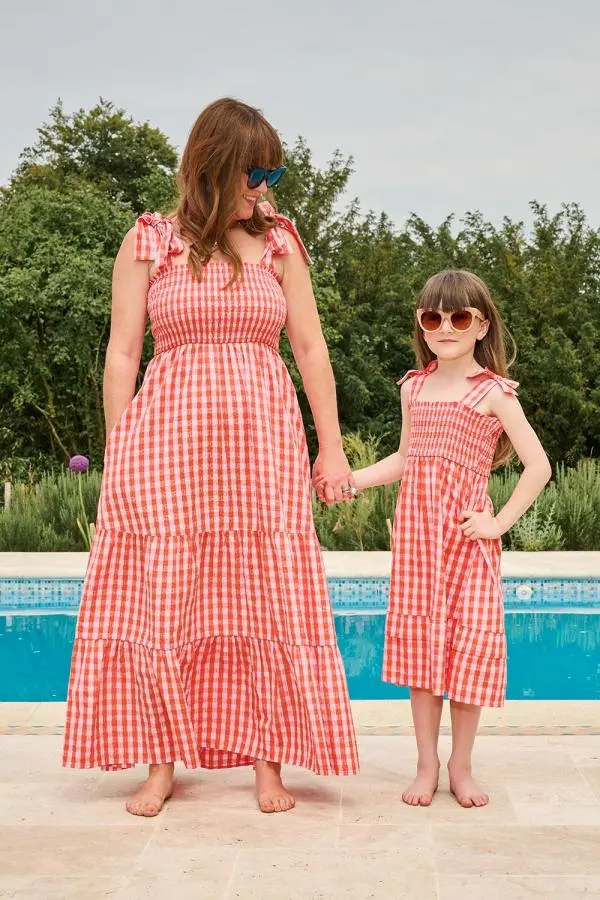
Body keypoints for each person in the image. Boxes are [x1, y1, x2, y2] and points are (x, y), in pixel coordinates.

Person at [63, 97, 359, 816]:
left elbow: (312, 350)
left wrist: (333, 448)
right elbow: (123, 351)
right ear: (213, 168)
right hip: (166, 446)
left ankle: (267, 765)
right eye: (255, 169)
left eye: (273, 168)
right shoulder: (149, 241)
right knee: (165, 599)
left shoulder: (282, 243)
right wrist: (119, 445)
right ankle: (162, 765)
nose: (267, 184)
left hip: (262, 447)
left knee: (266, 597)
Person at [351, 269, 551, 807]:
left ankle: (461, 766)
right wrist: (352, 480)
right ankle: (425, 766)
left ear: (481, 325)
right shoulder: (414, 386)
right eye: (432, 316)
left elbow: (538, 466)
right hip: (419, 541)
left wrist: (497, 523)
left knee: (467, 650)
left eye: (459, 317)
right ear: (421, 323)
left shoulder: (494, 393)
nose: (445, 326)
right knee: (423, 653)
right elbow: (403, 458)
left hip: (466, 544)